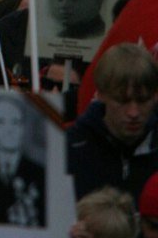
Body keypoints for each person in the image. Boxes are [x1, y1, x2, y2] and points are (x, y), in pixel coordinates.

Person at [67, 43, 158, 203]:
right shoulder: (70, 149)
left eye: (142, 100)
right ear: (101, 94)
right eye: (122, 101)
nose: (133, 113)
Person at [0, 95, 46, 226]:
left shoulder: (41, 174)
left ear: (23, 127)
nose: (9, 129)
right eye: (0, 121)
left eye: (15, 122)